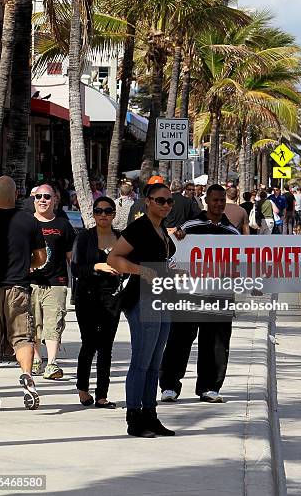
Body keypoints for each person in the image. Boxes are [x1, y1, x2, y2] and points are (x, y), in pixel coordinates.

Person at [159, 184, 239, 405]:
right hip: (189, 293)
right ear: (207, 201)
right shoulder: (190, 226)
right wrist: (175, 235)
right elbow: (171, 249)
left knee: (216, 343)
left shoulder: (232, 232)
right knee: (179, 339)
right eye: (215, 200)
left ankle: (210, 387)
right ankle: (169, 386)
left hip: (219, 294)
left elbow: (241, 263)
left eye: (222, 200)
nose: (219, 204)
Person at [108, 183, 176, 438]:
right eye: (160, 200)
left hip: (162, 295)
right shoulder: (139, 228)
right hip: (142, 298)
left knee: (154, 362)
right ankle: (134, 417)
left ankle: (150, 414)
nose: (166, 205)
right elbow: (113, 258)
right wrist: (141, 270)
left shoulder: (161, 230)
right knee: (141, 361)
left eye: (169, 201)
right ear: (147, 201)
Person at [0, 176, 46, 411]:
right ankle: (27, 375)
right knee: (22, 338)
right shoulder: (29, 222)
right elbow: (42, 258)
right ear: (17, 195)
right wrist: (27, 265)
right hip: (18, 288)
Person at [71, 197, 121, 409]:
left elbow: (131, 262)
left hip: (112, 298)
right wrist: (97, 266)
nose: (103, 215)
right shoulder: (84, 238)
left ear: (113, 214)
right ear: (93, 214)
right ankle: (83, 388)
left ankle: (102, 395)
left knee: (106, 347)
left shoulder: (120, 238)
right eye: (99, 211)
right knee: (89, 344)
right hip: (87, 296)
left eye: (108, 211)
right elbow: (75, 269)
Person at [31, 185, 76, 379]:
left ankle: (51, 363)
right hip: (29, 283)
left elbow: (71, 257)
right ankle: (34, 360)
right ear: (34, 199)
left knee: (54, 322)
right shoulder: (25, 222)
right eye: (39, 196)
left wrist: (80, 279)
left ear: (54, 200)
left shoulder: (63, 225)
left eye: (47, 197)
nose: (42, 200)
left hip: (56, 282)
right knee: (31, 324)